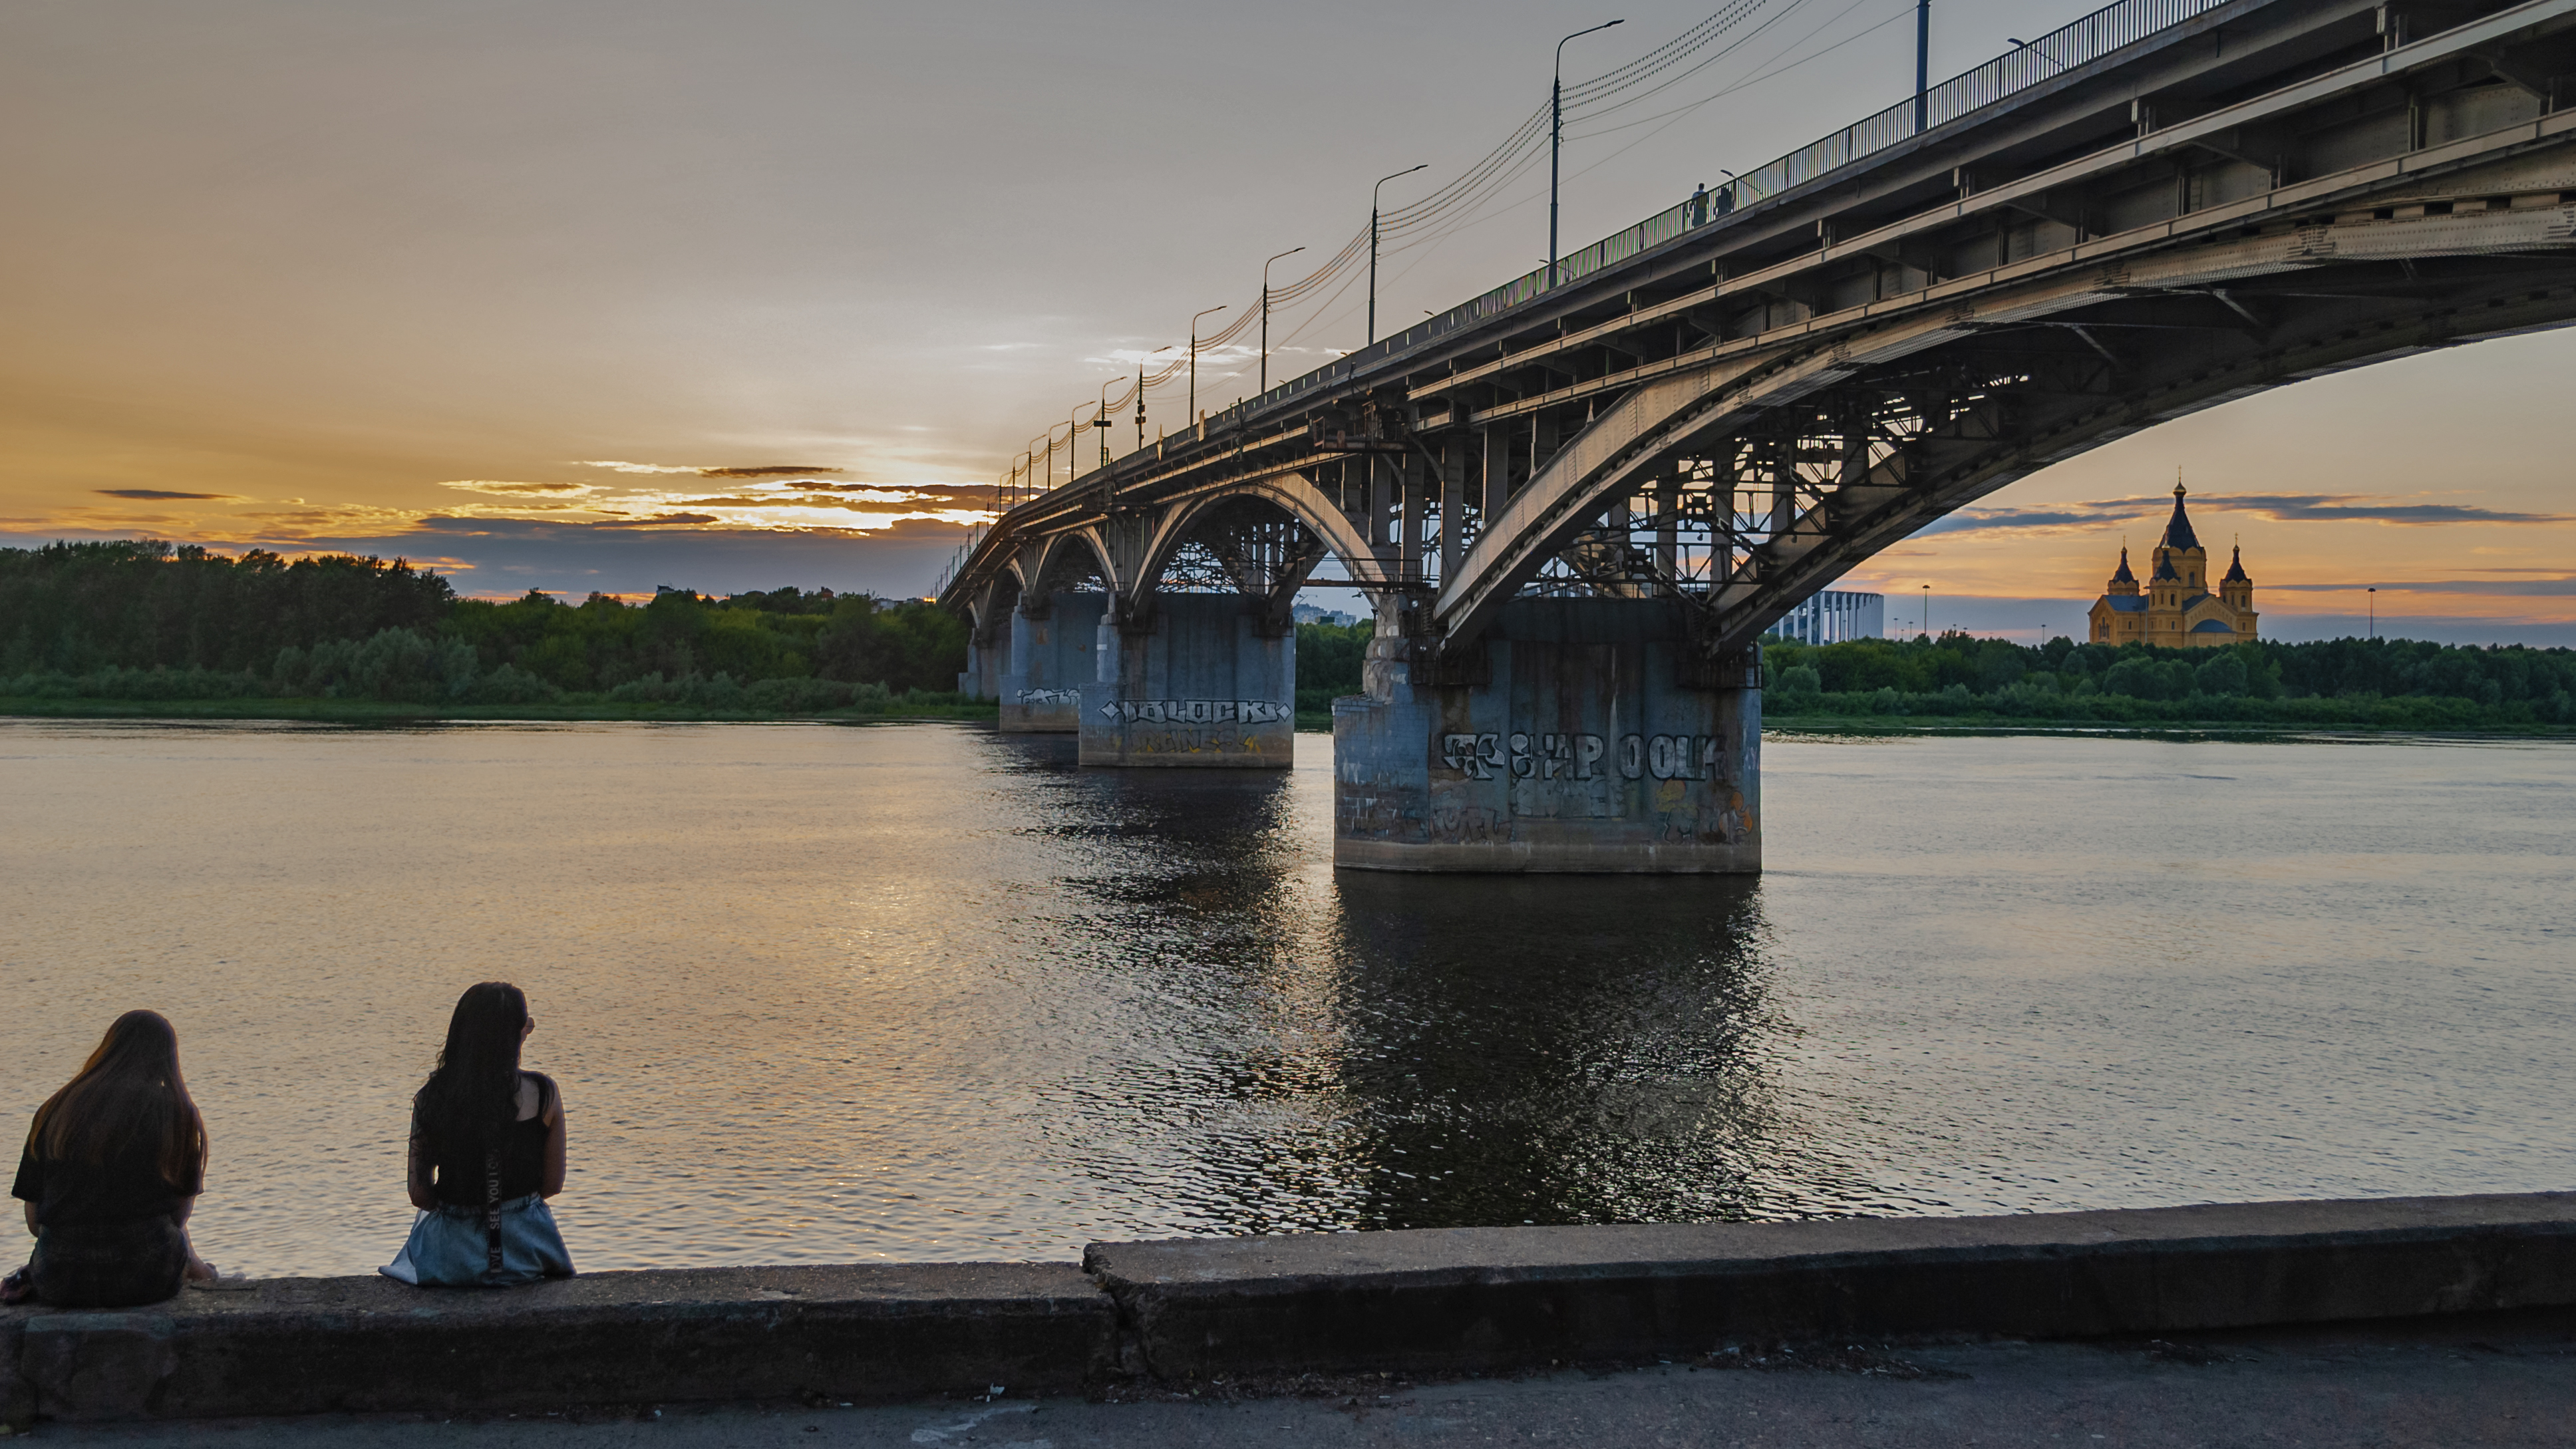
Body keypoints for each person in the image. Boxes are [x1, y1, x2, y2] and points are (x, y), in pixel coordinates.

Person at [5, 1011, 220, 1307]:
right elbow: (178, 1218)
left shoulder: (56, 1109)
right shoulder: (176, 1113)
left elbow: (34, 1221)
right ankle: (201, 1271)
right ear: (167, 1058)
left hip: (60, 1280)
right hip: (148, 1279)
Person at [381, 981, 574, 1287]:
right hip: (528, 1247)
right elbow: (552, 1184)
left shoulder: (432, 1098)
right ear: (517, 1035)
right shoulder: (542, 1093)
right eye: (526, 1026)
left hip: (450, 1254)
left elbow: (420, 1194)